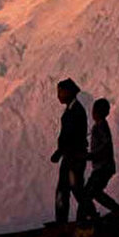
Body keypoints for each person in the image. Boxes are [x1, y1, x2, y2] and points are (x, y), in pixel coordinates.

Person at [78, 98, 119, 220]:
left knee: (88, 193)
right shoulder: (99, 126)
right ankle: (117, 210)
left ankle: (94, 216)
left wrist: (91, 155)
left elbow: (105, 144)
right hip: (102, 167)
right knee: (95, 193)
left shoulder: (101, 126)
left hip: (103, 167)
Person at [50, 78, 88, 224]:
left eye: (60, 92)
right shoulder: (72, 110)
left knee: (74, 188)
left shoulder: (76, 111)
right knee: (65, 189)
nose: (58, 95)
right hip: (69, 156)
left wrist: (60, 151)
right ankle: (62, 220)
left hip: (74, 157)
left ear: (69, 92)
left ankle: (87, 214)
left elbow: (72, 136)